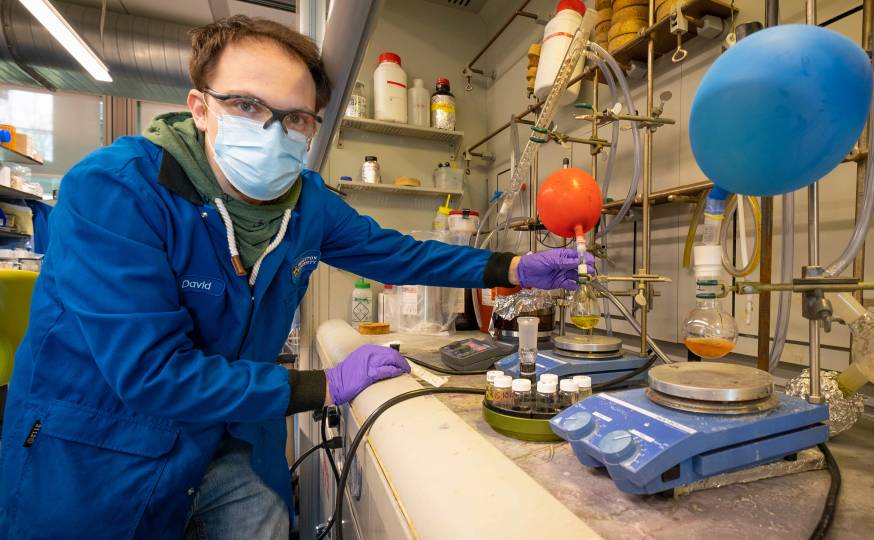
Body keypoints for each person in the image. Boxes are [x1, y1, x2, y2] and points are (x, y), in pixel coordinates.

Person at [0, 15, 595, 540]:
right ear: (200, 107)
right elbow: (149, 373)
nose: (272, 130)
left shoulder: (306, 203)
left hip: (224, 437)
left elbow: (397, 254)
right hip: (99, 451)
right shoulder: (115, 190)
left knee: (261, 519)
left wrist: (512, 267)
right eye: (246, 105)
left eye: (296, 118)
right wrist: (323, 386)